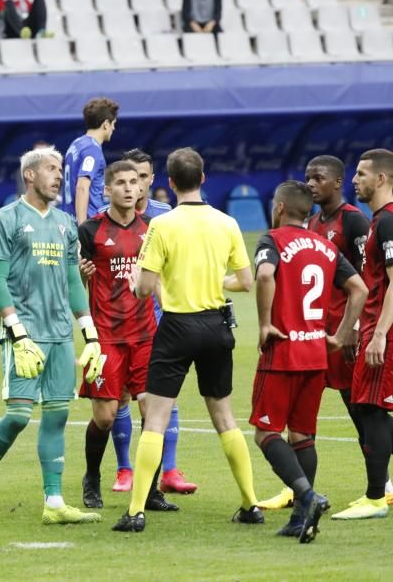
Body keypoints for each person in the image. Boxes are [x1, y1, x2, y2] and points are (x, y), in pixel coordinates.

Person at [113, 147, 261, 533]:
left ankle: (135, 511)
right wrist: (216, 282)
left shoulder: (162, 226)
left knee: (156, 420)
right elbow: (245, 282)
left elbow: (145, 288)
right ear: (204, 179)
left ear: (171, 183)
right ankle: (250, 503)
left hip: (177, 327)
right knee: (225, 418)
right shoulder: (227, 223)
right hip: (216, 327)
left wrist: (137, 281)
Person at [0, 146, 101, 526]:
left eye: (61, 170)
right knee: (19, 416)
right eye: (52, 169)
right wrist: (17, 333)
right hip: (23, 332)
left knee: (57, 415)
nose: (59, 176)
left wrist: (89, 333)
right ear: (29, 175)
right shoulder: (4, 219)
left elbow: (74, 280)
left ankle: (54, 501)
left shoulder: (64, 223)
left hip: (59, 332)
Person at [259, 155, 382, 511]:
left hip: (342, 334)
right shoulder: (312, 222)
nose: (311, 183)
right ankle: (298, 490)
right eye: (308, 178)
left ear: (337, 182)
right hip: (313, 333)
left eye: (319, 178)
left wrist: (355, 328)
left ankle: (380, 483)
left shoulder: (354, 221)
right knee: (301, 419)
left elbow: (367, 279)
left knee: (358, 407)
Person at [78, 160, 179, 512]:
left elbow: (162, 277)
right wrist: (81, 275)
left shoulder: (152, 228)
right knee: (105, 416)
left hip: (146, 335)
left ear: (141, 188)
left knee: (153, 414)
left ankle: (150, 490)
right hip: (106, 336)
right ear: (107, 190)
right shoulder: (90, 230)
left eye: (133, 182)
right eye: (119, 182)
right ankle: (91, 476)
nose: (127, 188)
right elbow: (78, 283)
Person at [97, 149, 195, 496]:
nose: (133, 185)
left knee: (163, 398)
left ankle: (168, 470)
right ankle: (125, 469)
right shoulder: (102, 223)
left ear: (150, 181)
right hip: (117, 322)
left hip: (157, 319)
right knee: (120, 398)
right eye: (126, 178)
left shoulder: (164, 217)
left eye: (140, 178)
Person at [332, 148, 393, 519]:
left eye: (361, 174)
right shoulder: (379, 221)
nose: (355, 180)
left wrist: (380, 333)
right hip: (373, 327)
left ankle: (374, 498)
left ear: (381, 179)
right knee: (369, 408)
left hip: (383, 331)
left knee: (370, 409)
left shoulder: (387, 222)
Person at [61, 96, 118, 225]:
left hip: (68, 219)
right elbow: (82, 186)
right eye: (113, 124)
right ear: (106, 124)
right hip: (87, 221)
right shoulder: (92, 149)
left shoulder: (76, 144)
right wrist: (83, 227)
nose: (113, 128)